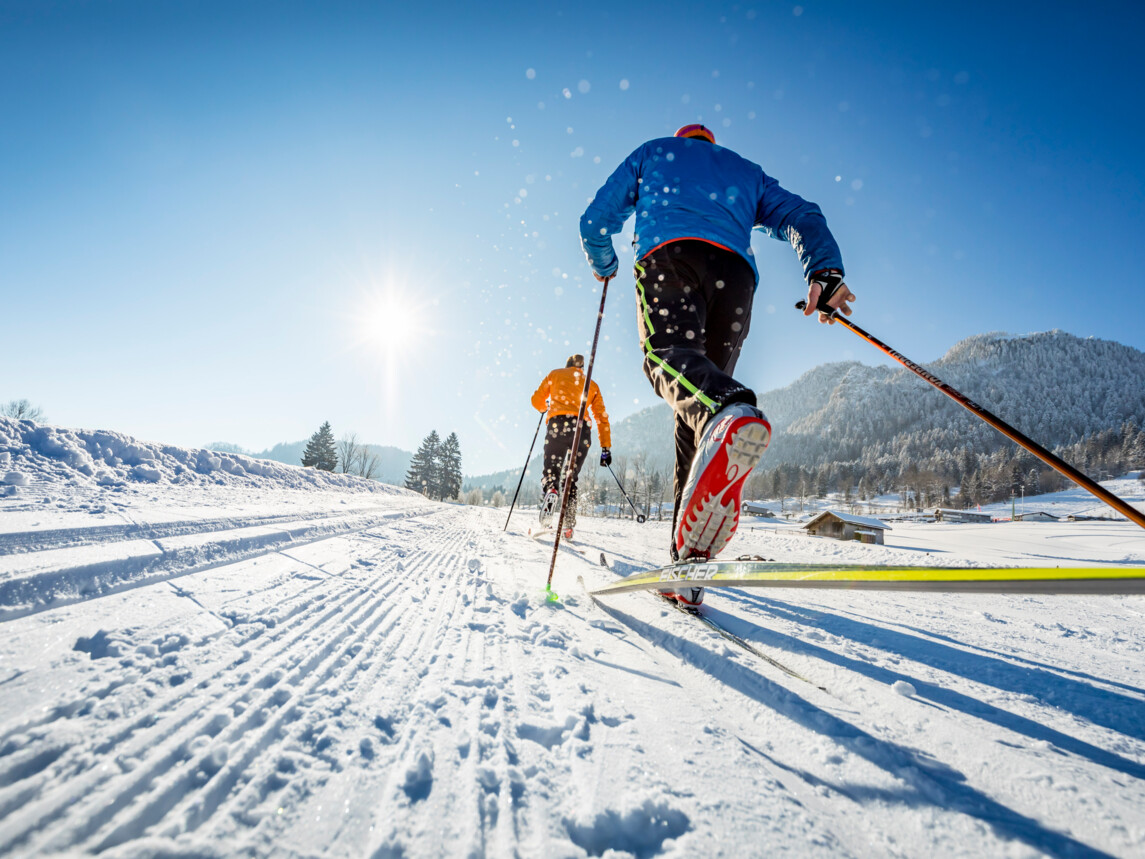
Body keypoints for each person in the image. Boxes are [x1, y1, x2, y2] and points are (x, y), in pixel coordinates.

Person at [580, 123, 855, 606]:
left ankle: (728, 410)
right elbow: (801, 214)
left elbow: (595, 221)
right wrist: (823, 270)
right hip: (735, 277)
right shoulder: (745, 171)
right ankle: (686, 564)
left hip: (670, 256)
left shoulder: (654, 153)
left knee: (670, 362)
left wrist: (603, 260)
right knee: (698, 409)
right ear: (711, 144)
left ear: (683, 139)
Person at [530, 354, 612, 535]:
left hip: (557, 426)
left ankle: (551, 489)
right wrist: (605, 447)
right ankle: (567, 525)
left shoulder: (555, 375)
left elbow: (536, 400)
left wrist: (545, 407)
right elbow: (601, 417)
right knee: (571, 477)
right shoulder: (591, 384)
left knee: (551, 471)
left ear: (566, 365)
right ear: (581, 368)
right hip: (582, 430)